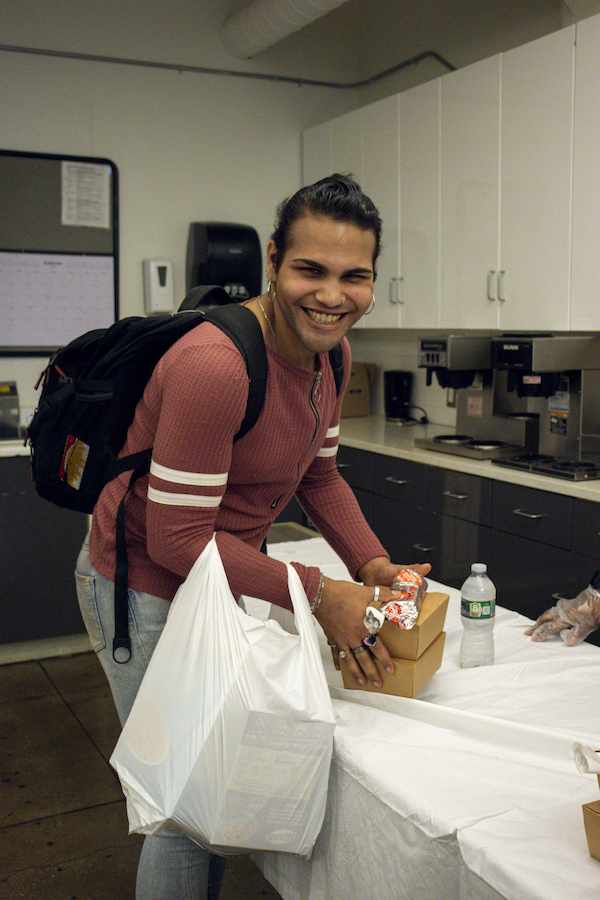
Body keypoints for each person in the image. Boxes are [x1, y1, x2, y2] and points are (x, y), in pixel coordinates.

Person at [75, 173, 431, 900]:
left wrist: (373, 564)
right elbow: (176, 540)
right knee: (184, 806)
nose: (333, 296)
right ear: (273, 260)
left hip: (220, 576)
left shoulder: (332, 356)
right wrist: (319, 591)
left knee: (218, 792)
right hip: (141, 588)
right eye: (311, 270)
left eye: (354, 276)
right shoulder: (217, 364)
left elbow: (320, 477)